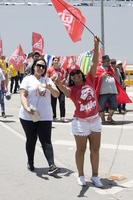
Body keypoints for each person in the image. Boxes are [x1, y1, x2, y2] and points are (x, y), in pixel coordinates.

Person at [55, 36, 103, 187]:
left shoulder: (89, 79)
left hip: (95, 120)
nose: (76, 75)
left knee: (95, 150)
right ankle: (81, 175)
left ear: (81, 74)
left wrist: (95, 46)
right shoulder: (73, 90)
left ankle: (95, 176)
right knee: (81, 150)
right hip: (80, 123)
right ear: (71, 78)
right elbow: (64, 90)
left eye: (78, 73)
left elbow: (95, 62)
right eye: (73, 74)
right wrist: (57, 83)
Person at [19, 58, 60, 175]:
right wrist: (27, 108)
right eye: (38, 65)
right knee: (31, 140)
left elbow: (56, 94)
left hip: (45, 116)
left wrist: (49, 87)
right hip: (28, 116)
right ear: (34, 66)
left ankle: (52, 165)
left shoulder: (47, 80)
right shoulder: (27, 79)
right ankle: (30, 162)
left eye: (43, 66)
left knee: (46, 140)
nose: (41, 68)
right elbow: (23, 95)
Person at [47, 57, 66, 122]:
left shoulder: (62, 70)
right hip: (53, 88)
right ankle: (54, 116)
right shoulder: (50, 69)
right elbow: (47, 79)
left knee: (62, 102)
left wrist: (63, 81)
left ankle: (62, 116)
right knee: (53, 102)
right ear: (52, 62)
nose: (56, 61)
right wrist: (52, 78)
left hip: (60, 87)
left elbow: (64, 78)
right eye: (55, 60)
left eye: (57, 60)